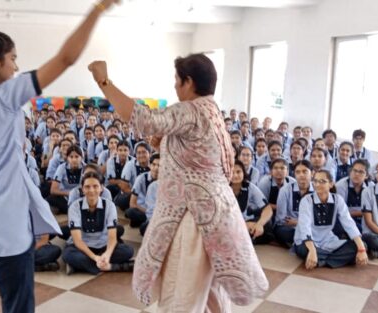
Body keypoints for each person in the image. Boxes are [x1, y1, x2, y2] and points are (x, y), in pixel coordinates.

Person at [0, 1, 118, 311]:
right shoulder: (5, 95)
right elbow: (65, 58)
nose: (15, 66)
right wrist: (97, 10)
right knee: (18, 306)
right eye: (12, 59)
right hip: (4, 224)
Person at [89, 53, 267, 311]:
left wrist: (104, 82)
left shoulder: (190, 110)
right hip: (215, 216)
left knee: (181, 294)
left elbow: (144, 119)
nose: (174, 85)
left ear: (189, 82)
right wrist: (168, 143)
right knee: (210, 294)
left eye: (177, 80)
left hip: (191, 218)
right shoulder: (211, 109)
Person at [62, 172, 134, 275]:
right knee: (68, 254)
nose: (91, 190)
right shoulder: (75, 207)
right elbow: (77, 241)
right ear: (82, 189)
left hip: (103, 245)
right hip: (83, 248)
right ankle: (113, 267)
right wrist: (95, 257)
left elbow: (112, 237)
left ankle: (83, 266)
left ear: (102, 188)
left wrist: (107, 255)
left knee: (128, 251)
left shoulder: (109, 205)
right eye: (87, 187)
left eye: (95, 186)